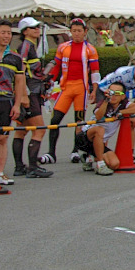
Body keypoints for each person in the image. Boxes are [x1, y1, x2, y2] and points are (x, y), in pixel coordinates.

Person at [39, 18, 100, 165]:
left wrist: (95, 90)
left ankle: (75, 151)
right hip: (66, 88)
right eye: (74, 31)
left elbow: (95, 71)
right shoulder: (63, 47)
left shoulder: (90, 49)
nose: (77, 34)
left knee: (79, 122)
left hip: (81, 89)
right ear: (70, 32)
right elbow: (56, 66)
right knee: (55, 120)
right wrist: (48, 81)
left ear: (85, 32)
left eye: (79, 31)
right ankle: (51, 153)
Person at [90, 56, 135, 163]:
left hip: (121, 94)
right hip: (105, 91)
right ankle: (100, 154)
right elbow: (114, 92)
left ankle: (130, 153)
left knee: (132, 122)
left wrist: (130, 112)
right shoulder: (122, 73)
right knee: (106, 122)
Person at [12, 17, 53, 178]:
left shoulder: (30, 46)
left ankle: (19, 167)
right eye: (33, 27)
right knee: (39, 130)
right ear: (25, 31)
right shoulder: (26, 46)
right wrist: (23, 96)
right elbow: (20, 72)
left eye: (38, 27)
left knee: (21, 131)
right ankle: (33, 167)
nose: (37, 29)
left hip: (30, 91)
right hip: (30, 93)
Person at [76, 82, 135, 175]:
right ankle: (100, 164)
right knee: (100, 129)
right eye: (111, 92)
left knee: (114, 164)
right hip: (85, 138)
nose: (114, 96)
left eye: (117, 93)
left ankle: (89, 157)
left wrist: (120, 112)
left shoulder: (123, 104)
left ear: (123, 96)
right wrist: (106, 100)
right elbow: (99, 116)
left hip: (99, 143)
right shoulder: (103, 103)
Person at [0, 20, 25, 186]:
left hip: (5, 101)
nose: (6, 36)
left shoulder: (15, 58)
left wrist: (17, 104)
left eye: (9, 33)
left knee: (1, 139)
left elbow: (19, 83)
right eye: (3, 32)